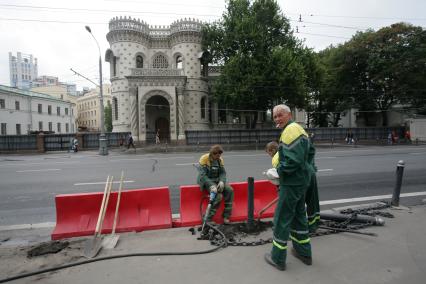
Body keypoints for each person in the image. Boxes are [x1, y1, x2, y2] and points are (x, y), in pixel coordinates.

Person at [264, 104, 315, 271]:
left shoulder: (290, 130)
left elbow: (292, 161)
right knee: (299, 216)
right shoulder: (300, 130)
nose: (277, 119)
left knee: (281, 219)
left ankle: (277, 258)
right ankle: (304, 253)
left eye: (280, 115)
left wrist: (278, 171)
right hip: (302, 181)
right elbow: (311, 154)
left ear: (289, 114)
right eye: (275, 117)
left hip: (292, 182)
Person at [196, 145, 234, 224]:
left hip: (216, 180)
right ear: (212, 153)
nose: (218, 157)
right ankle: (208, 218)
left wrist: (222, 181)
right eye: (216, 155)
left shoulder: (220, 160)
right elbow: (202, 175)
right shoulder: (204, 158)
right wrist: (211, 185)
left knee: (229, 190)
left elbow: (222, 173)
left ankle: (226, 216)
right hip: (206, 180)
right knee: (218, 196)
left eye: (219, 155)